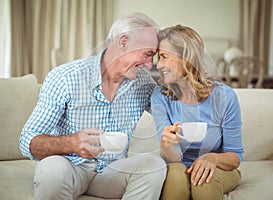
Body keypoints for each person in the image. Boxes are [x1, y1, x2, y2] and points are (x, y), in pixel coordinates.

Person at [19, 12, 166, 200]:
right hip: (71, 167)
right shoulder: (66, 77)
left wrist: (181, 74)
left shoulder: (142, 82)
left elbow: (171, 113)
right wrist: (71, 143)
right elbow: (27, 141)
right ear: (123, 42)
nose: (149, 65)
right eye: (147, 54)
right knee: (51, 169)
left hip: (113, 171)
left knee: (153, 164)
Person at [151, 25, 244, 200]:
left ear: (187, 58)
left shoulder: (225, 97)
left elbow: (235, 155)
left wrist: (212, 159)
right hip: (177, 165)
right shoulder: (160, 97)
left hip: (219, 168)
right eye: (158, 57)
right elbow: (174, 159)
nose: (160, 64)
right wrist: (166, 144)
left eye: (164, 56)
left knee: (203, 181)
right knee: (176, 176)